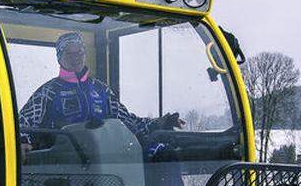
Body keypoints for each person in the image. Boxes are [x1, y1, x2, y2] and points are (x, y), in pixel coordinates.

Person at [18, 31, 185, 140]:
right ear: (59, 57)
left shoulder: (101, 90)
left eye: (79, 52)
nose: (75, 57)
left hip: (105, 162)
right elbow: (22, 123)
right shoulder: (49, 91)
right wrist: (24, 140)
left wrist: (160, 123)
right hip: (63, 164)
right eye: (69, 53)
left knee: (162, 152)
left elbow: (129, 123)